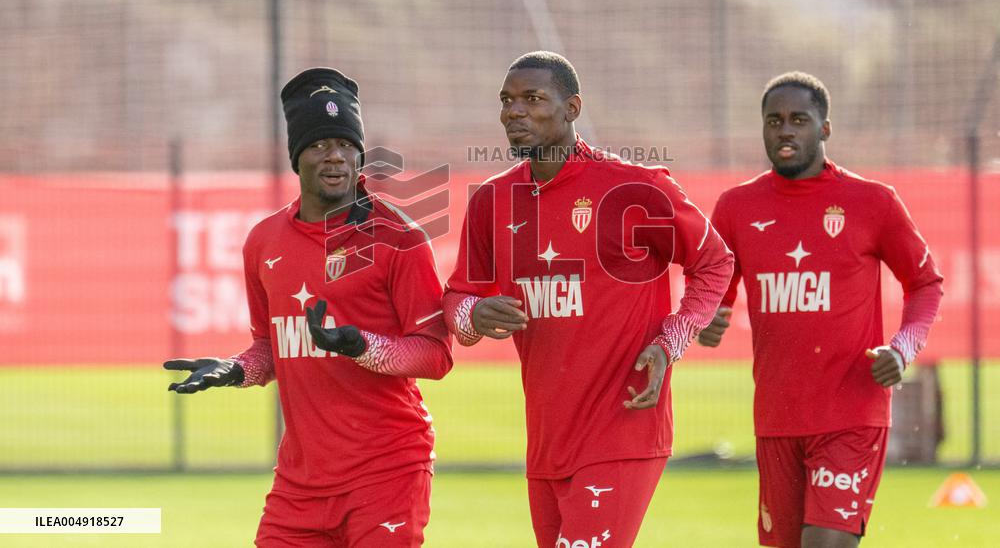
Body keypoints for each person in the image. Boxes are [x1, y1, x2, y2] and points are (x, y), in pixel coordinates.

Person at [442, 51, 734, 547]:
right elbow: (456, 304)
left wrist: (670, 342)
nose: (514, 111)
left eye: (532, 99)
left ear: (572, 108)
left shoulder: (637, 187)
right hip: (548, 441)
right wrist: (474, 312)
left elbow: (715, 261)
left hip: (623, 428)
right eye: (506, 101)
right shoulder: (491, 199)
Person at [164, 67, 453, 547]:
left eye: (346, 144)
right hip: (300, 484)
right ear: (297, 157)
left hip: (387, 471)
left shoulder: (399, 237)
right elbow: (269, 346)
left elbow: (436, 355)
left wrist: (362, 346)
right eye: (320, 144)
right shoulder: (263, 241)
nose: (335, 156)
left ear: (361, 154)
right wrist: (237, 370)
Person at [698, 72, 944, 548]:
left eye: (799, 120)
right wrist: (705, 319)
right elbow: (711, 292)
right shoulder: (736, 207)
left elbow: (926, 284)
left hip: (852, 412)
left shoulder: (873, 202)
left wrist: (903, 347)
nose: (785, 130)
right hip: (777, 416)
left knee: (827, 542)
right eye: (774, 121)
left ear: (824, 129)